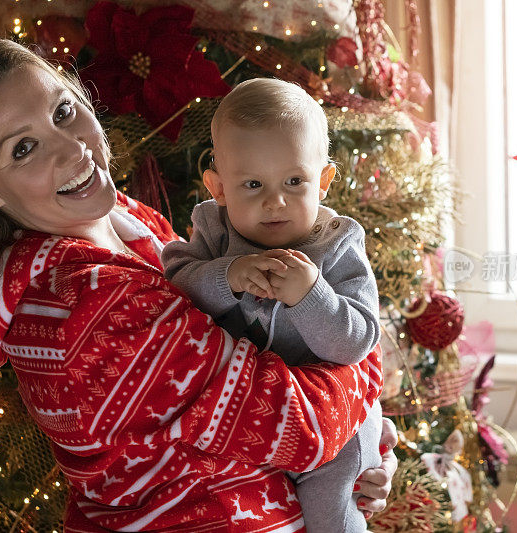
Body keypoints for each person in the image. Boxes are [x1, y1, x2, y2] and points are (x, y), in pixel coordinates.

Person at [0, 38, 397, 532]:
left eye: (62, 112)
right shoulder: (79, 306)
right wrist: (359, 374)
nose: (71, 150)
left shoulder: (129, 223)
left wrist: (365, 451)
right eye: (24, 148)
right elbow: (297, 426)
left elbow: (295, 391)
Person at [162, 78, 382, 533]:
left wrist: (312, 295)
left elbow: (358, 342)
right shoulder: (214, 231)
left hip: (333, 430)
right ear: (219, 187)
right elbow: (175, 286)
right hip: (254, 420)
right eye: (254, 183)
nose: (274, 200)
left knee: (329, 511)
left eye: (294, 181)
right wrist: (227, 275)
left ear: (322, 182)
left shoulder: (338, 244)